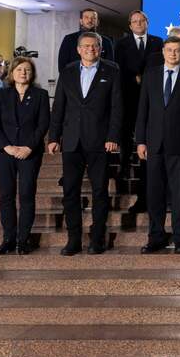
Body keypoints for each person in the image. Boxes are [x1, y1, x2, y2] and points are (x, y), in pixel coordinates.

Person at [48, 32, 122, 256]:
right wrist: (53, 137)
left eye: (95, 46)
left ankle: (97, 239)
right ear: (79, 49)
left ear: (100, 49)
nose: (90, 49)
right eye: (86, 46)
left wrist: (113, 137)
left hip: (100, 141)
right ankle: (74, 240)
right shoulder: (68, 71)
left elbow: (117, 107)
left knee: (100, 192)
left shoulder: (112, 70)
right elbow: (59, 106)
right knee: (70, 192)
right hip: (71, 141)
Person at [135, 37, 180, 254]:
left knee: (178, 192)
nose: (173, 54)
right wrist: (141, 141)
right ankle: (156, 236)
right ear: (163, 51)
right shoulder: (151, 75)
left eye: (177, 50)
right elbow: (142, 111)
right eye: (169, 50)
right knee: (154, 193)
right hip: (153, 144)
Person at [0, 57, 49, 255]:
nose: (23, 73)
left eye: (27, 70)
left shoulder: (40, 95)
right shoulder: (2, 95)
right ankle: (8, 239)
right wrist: (7, 146)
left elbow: (43, 125)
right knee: (6, 195)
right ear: (12, 73)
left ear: (32, 74)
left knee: (26, 195)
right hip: (5, 152)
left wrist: (29, 147)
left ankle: (23, 240)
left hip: (30, 153)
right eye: (20, 69)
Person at [114, 10, 164, 212]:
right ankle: (125, 163)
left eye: (142, 20)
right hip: (128, 94)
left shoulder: (157, 41)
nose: (139, 23)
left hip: (151, 94)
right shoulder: (121, 44)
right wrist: (134, 78)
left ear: (147, 22)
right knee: (126, 131)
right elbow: (118, 68)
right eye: (135, 21)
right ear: (130, 25)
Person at [57, 8, 114, 72]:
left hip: (99, 79)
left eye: (93, 18)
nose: (90, 20)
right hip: (74, 79)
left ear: (97, 22)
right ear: (81, 21)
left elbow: (110, 66)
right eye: (86, 17)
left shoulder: (106, 41)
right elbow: (62, 65)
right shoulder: (69, 39)